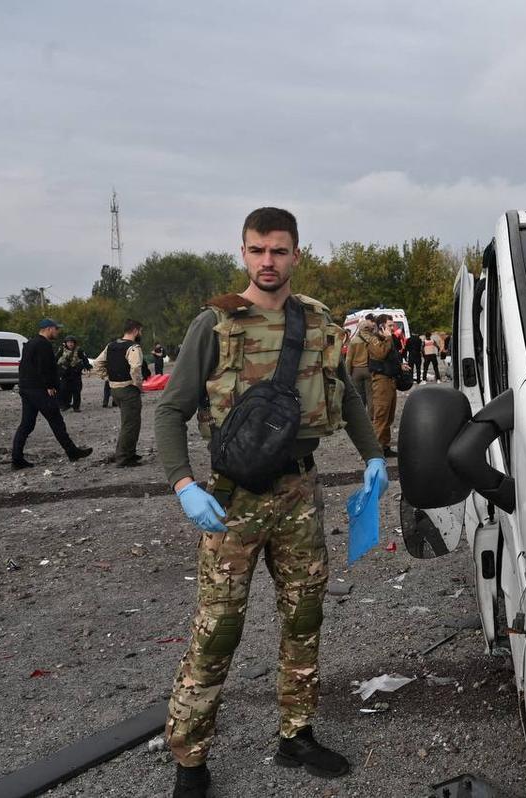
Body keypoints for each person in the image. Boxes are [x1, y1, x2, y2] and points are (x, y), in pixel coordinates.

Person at [154, 207, 387, 798]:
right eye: (257, 250)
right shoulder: (215, 324)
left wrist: (374, 456)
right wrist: (184, 484)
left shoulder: (318, 322)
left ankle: (296, 732)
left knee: (304, 619)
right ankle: (190, 758)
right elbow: (170, 410)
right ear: (243, 253)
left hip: (300, 494)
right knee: (217, 630)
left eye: (278, 251)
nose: (267, 262)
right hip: (232, 500)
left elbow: (346, 398)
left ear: (295, 255)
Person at [11, 319, 93, 469]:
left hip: (27, 389)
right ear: (48, 329)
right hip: (39, 390)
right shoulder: (43, 344)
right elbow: (45, 367)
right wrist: (50, 385)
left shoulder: (30, 343)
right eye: (56, 329)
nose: (57, 332)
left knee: (27, 424)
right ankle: (72, 452)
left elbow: (24, 366)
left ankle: (16, 459)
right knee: (56, 421)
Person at [92, 319, 145, 467]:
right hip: (128, 389)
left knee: (129, 423)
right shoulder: (134, 347)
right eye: (140, 331)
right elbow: (135, 369)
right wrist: (139, 386)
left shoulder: (111, 345)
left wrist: (107, 377)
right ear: (135, 330)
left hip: (115, 389)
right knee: (131, 424)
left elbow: (97, 363)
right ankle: (123, 458)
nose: (141, 334)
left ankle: (128, 453)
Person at [367, 313, 400, 457]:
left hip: (390, 380)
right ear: (381, 326)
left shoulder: (389, 339)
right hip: (381, 381)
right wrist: (387, 338)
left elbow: (390, 356)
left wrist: (400, 366)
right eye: (390, 325)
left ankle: (385, 447)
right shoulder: (374, 339)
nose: (393, 328)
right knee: (381, 416)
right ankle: (375, 452)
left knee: (389, 416)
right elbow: (380, 354)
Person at [344, 317, 376, 405]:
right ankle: (371, 417)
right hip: (369, 370)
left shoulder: (354, 341)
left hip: (356, 371)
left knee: (359, 396)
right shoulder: (373, 340)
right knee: (370, 396)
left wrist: (348, 373)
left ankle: (362, 416)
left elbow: (349, 359)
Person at [56, 336, 90, 412]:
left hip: (76, 373)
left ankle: (76, 407)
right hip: (65, 373)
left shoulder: (79, 350)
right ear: (66, 343)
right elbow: (56, 358)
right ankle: (65, 405)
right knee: (64, 389)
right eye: (68, 342)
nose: (70, 344)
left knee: (76, 391)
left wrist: (87, 366)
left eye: (72, 342)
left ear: (74, 343)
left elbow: (84, 359)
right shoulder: (61, 350)